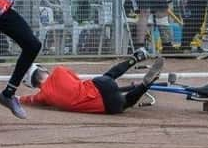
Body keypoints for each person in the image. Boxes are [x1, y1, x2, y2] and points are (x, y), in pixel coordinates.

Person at [19, 48, 163, 114]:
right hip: (100, 84)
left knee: (126, 103)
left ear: (33, 85)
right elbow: (77, 82)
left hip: (105, 105)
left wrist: (16, 97)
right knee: (109, 76)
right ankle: (134, 59)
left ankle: (145, 85)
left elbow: (27, 99)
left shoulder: (43, 96)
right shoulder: (59, 70)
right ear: (43, 69)